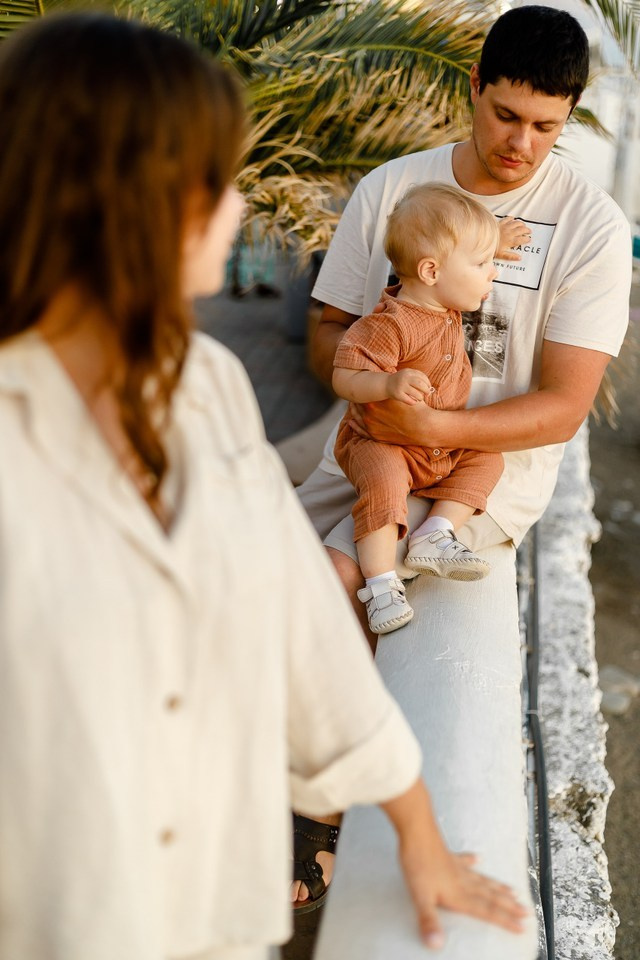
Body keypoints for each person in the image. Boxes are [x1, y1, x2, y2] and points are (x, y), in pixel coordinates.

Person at [0, 12, 528, 960]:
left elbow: (303, 624)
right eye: (216, 177)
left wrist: (417, 831)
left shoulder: (206, 384)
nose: (238, 205)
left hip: (219, 916)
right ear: (126, 194)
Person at [292, 3, 631, 914]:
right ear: (474, 86)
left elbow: (562, 406)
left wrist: (437, 428)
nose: (522, 144)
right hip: (372, 442)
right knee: (276, 574)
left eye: (547, 127)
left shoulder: (592, 227)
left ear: (569, 116)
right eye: (506, 115)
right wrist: (377, 388)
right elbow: (327, 332)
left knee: (340, 577)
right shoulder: (393, 188)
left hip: (480, 478)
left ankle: (318, 816)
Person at [331, 183, 504, 635]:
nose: (492, 273)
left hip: (436, 444)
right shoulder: (389, 324)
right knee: (384, 488)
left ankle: (435, 532)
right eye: (483, 264)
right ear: (430, 271)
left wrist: (488, 245)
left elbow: (454, 263)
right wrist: (386, 383)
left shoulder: (445, 303)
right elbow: (344, 377)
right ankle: (380, 585)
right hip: (381, 444)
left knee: (489, 455)